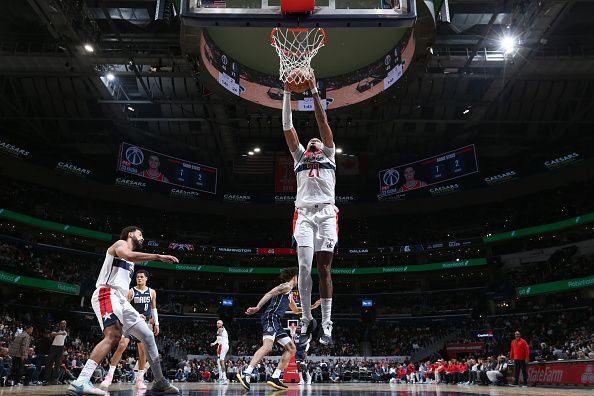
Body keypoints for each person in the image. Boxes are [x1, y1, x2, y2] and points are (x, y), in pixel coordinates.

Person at [67, 226, 179, 395]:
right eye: (140, 234)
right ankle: (81, 381)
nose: (142, 238)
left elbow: (125, 282)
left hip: (121, 300)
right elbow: (127, 255)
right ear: (130, 234)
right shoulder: (120, 244)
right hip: (106, 292)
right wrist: (158, 256)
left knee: (148, 335)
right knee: (113, 335)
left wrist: (131, 312)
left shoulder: (132, 262)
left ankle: (159, 381)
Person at [283, 72, 338, 347]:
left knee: (324, 268)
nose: (315, 139)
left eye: (318, 140)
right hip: (304, 215)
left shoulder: (329, 154)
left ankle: (326, 323)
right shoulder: (298, 157)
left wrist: (314, 91)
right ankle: (306, 320)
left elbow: (322, 120)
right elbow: (287, 128)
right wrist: (287, 93)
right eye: (312, 140)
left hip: (327, 213)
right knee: (304, 269)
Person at [236, 267, 302, 391]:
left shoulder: (290, 294)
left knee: (292, 348)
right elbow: (270, 293)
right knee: (267, 347)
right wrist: (257, 307)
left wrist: (312, 307)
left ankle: (275, 377)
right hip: (270, 317)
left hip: (277, 322)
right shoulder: (285, 286)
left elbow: (296, 310)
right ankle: (246, 374)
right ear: (294, 277)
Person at [100, 269, 159, 390]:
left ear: (146, 279)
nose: (139, 279)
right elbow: (124, 307)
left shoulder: (152, 292)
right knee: (121, 345)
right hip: (131, 322)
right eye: (137, 277)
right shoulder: (131, 292)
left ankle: (140, 378)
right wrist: (136, 315)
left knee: (142, 351)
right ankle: (109, 376)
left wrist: (156, 323)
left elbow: (154, 308)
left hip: (144, 324)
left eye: (141, 277)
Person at [45, 320, 68, 385]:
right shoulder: (56, 329)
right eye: (62, 324)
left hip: (60, 348)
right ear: (60, 324)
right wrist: (59, 333)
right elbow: (52, 334)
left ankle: (54, 379)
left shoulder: (66, 332)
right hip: (53, 347)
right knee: (49, 363)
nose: (64, 325)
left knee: (57, 365)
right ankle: (47, 379)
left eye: (65, 324)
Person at [210, 320, 229, 384]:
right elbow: (219, 339)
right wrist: (214, 343)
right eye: (217, 323)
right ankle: (222, 378)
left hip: (223, 346)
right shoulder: (224, 329)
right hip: (226, 346)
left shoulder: (220, 329)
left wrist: (214, 343)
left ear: (222, 324)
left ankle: (224, 379)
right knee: (220, 361)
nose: (217, 324)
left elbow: (219, 337)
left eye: (218, 323)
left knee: (221, 361)